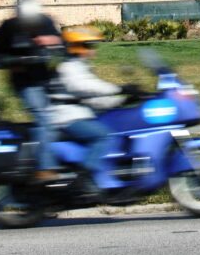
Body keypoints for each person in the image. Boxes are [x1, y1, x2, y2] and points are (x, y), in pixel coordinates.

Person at [50, 26, 137, 197]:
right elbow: (84, 88)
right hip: (66, 116)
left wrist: (122, 100)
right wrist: (119, 88)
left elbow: (94, 99)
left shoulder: (79, 67)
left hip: (78, 113)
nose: (92, 52)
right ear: (77, 47)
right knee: (103, 136)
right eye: (88, 46)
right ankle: (85, 178)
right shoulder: (68, 67)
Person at [0, 0, 63, 181]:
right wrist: (12, 62)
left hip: (46, 77)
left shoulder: (45, 22)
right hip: (24, 82)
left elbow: (61, 43)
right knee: (43, 117)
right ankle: (45, 168)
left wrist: (49, 40)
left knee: (64, 116)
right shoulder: (8, 27)